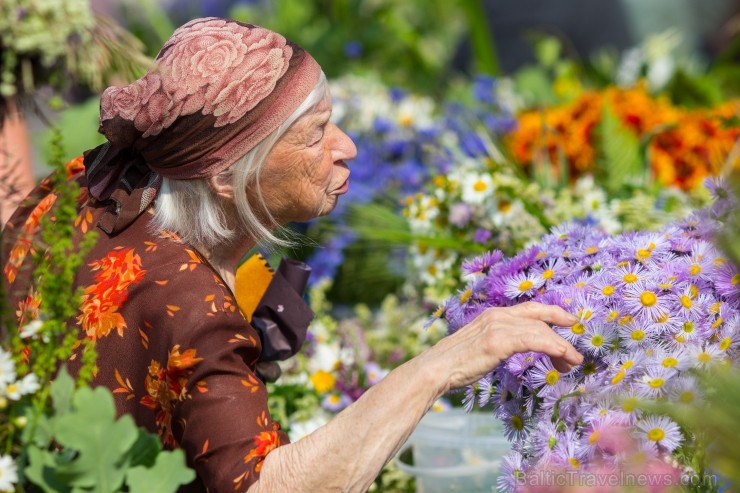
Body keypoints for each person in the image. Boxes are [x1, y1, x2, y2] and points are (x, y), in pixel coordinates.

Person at [1, 17, 583, 492]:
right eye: (315, 133)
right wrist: (444, 364)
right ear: (225, 177)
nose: (348, 148)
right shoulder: (186, 298)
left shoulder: (95, 178)